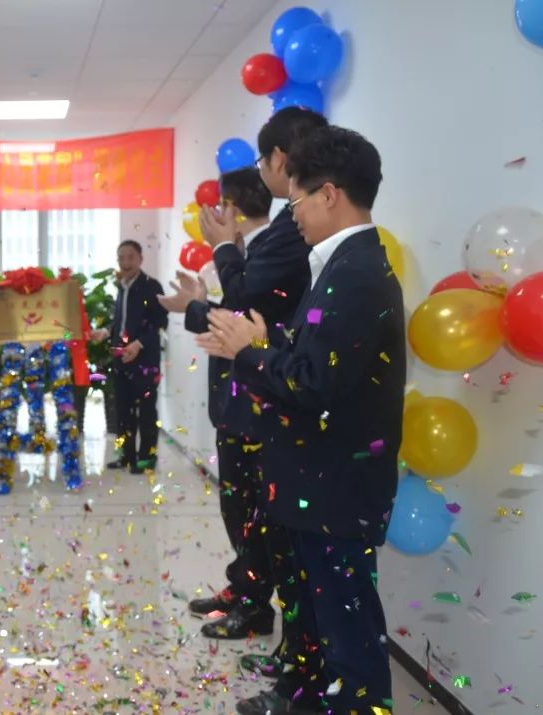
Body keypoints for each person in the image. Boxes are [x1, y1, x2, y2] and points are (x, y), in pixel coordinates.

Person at [198, 126, 404, 715]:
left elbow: (312, 385)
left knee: (349, 631)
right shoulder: (340, 266)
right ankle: (308, 698)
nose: (294, 216)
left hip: (336, 484)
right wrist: (271, 341)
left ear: (329, 194)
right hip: (318, 480)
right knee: (321, 615)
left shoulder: (357, 273)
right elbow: (323, 359)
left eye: (297, 203)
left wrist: (248, 352)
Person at [160, 109, 325, 665]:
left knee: (256, 512)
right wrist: (197, 304)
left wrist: (220, 257)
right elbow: (240, 308)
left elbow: (244, 301)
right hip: (245, 396)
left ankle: (255, 605)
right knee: (243, 508)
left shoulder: (284, 236)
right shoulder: (283, 232)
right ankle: (245, 588)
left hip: (263, 397)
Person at [93, 240, 167, 474]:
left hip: (145, 361)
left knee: (146, 410)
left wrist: (138, 344)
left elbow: (159, 323)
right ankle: (126, 455)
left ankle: (146, 458)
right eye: (121, 258)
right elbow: (122, 322)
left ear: (140, 259)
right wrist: (106, 332)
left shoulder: (152, 286)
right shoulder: (122, 286)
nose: (125, 262)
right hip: (121, 359)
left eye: (130, 257)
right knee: (123, 410)